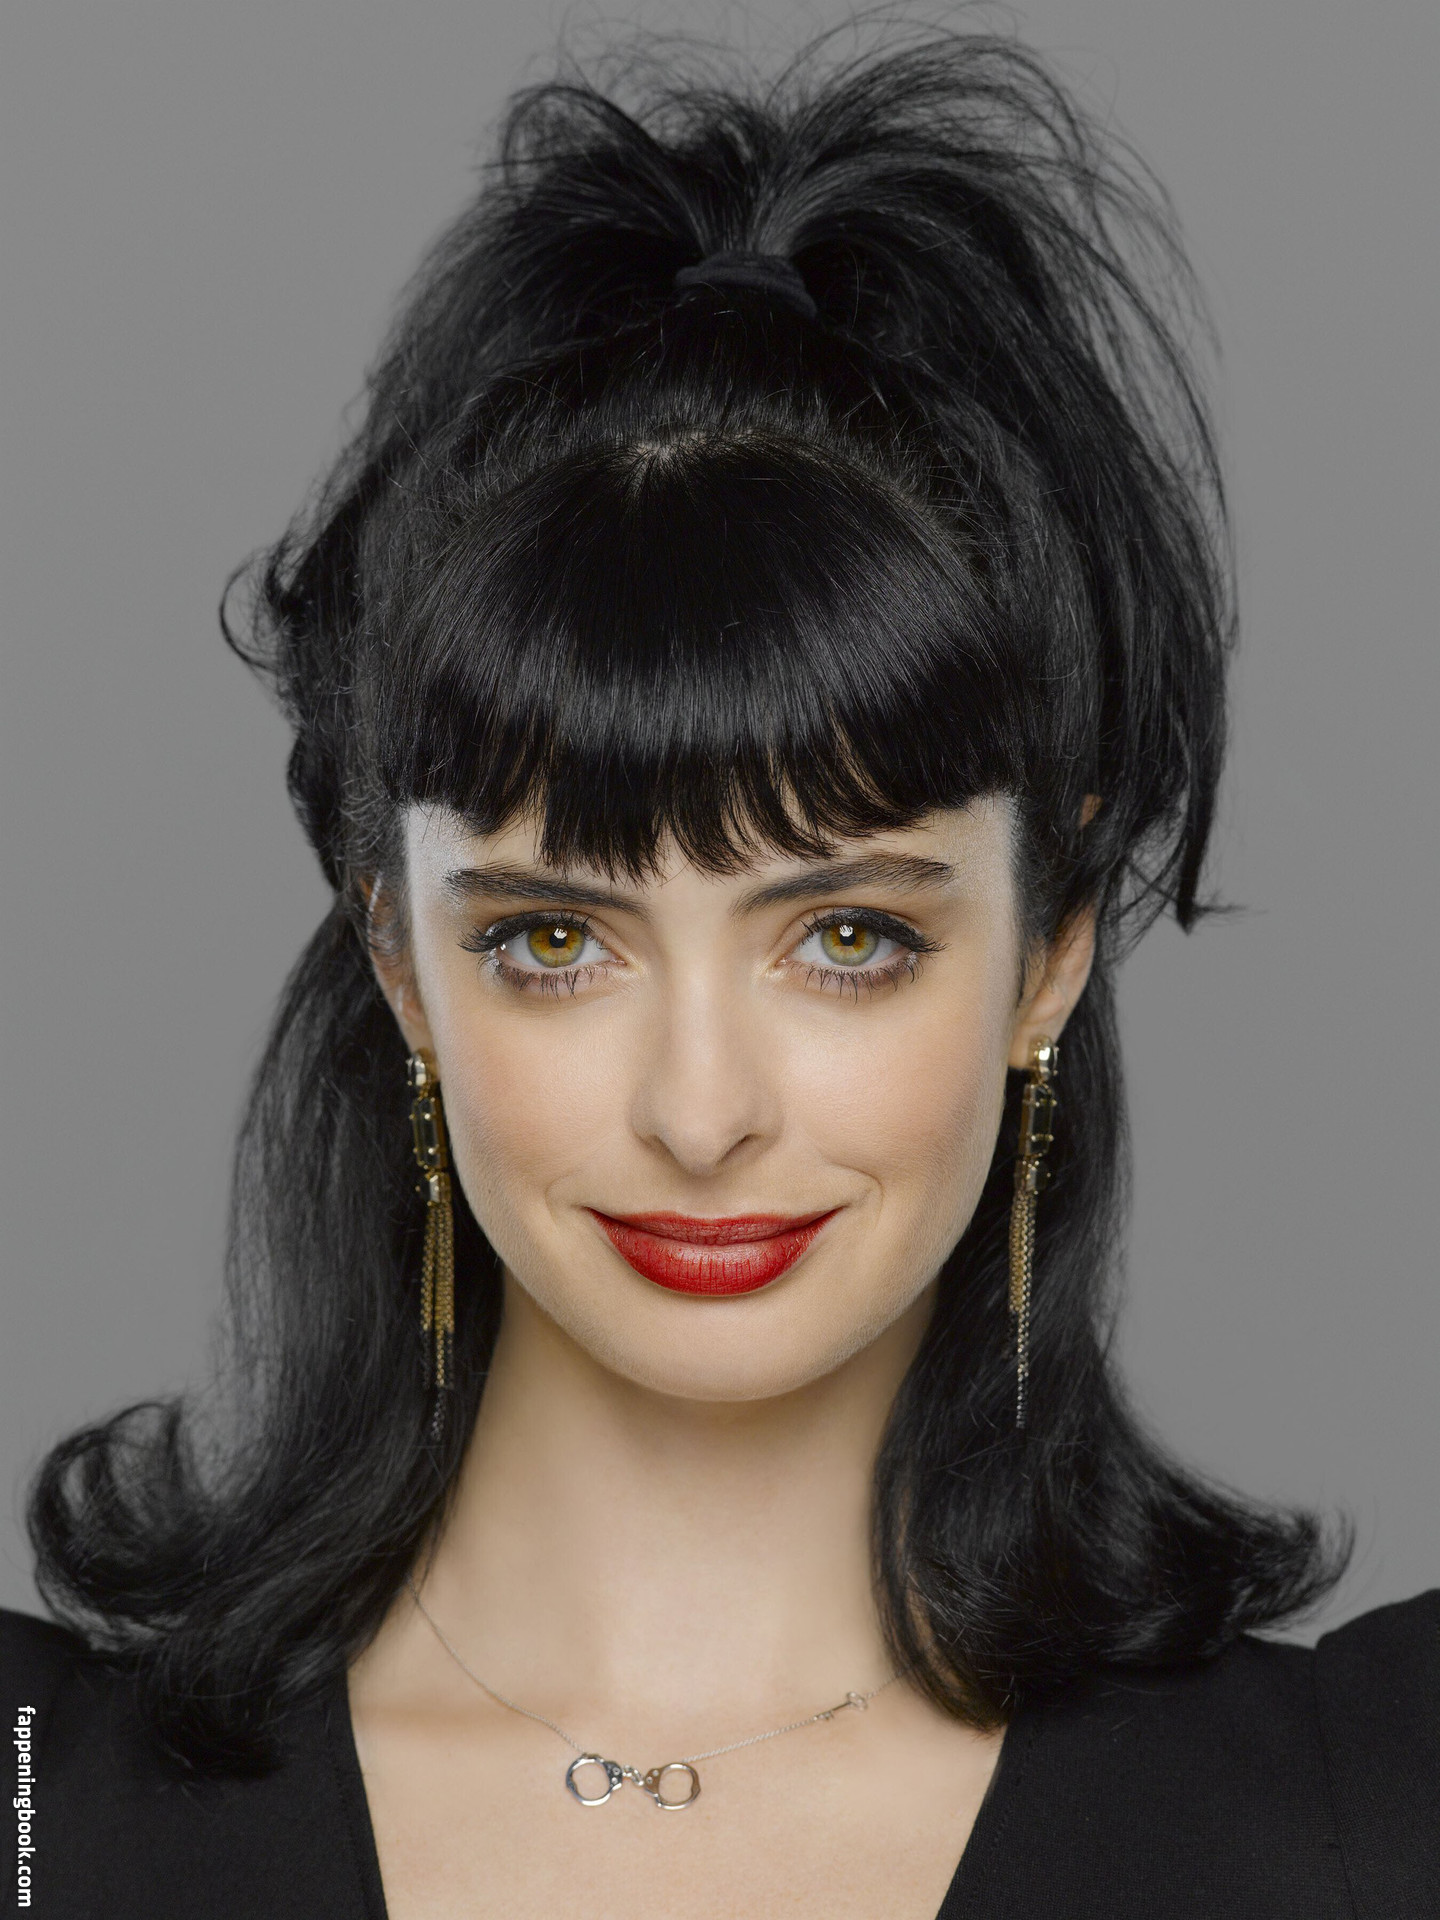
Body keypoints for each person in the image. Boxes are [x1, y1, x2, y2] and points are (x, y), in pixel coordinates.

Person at [3, 28, 1436, 1920]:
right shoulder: (31, 1807)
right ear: (397, 958)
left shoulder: (1374, 1814)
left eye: (849, 938)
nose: (701, 1111)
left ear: (1050, 953)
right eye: (553, 939)